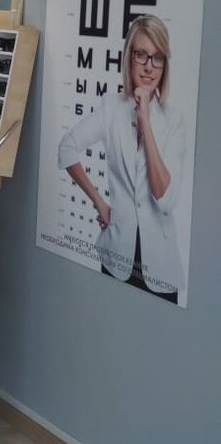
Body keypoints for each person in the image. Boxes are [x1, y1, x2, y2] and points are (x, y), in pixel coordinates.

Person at [58, 15, 185, 303]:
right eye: (141, 55)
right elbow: (67, 148)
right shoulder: (112, 107)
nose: (149, 66)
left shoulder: (174, 119)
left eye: (157, 57)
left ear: (165, 64)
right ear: (129, 58)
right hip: (116, 256)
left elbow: (165, 199)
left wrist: (145, 120)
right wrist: (99, 201)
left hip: (161, 267)